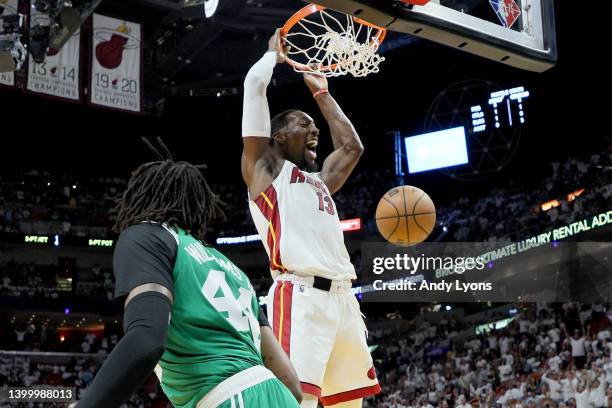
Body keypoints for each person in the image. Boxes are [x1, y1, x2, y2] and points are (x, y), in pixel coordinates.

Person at [74, 139, 302, 408]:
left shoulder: (148, 235)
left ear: (141, 196)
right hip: (280, 396)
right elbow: (291, 383)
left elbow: (146, 338)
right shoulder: (231, 268)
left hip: (229, 397)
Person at [241, 29, 380, 407]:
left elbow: (352, 147)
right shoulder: (266, 172)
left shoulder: (318, 181)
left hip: (343, 299)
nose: (315, 129)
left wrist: (321, 93)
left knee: (349, 404)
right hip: (300, 296)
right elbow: (254, 87)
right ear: (279, 137)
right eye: (304, 124)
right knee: (293, 402)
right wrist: (272, 55)